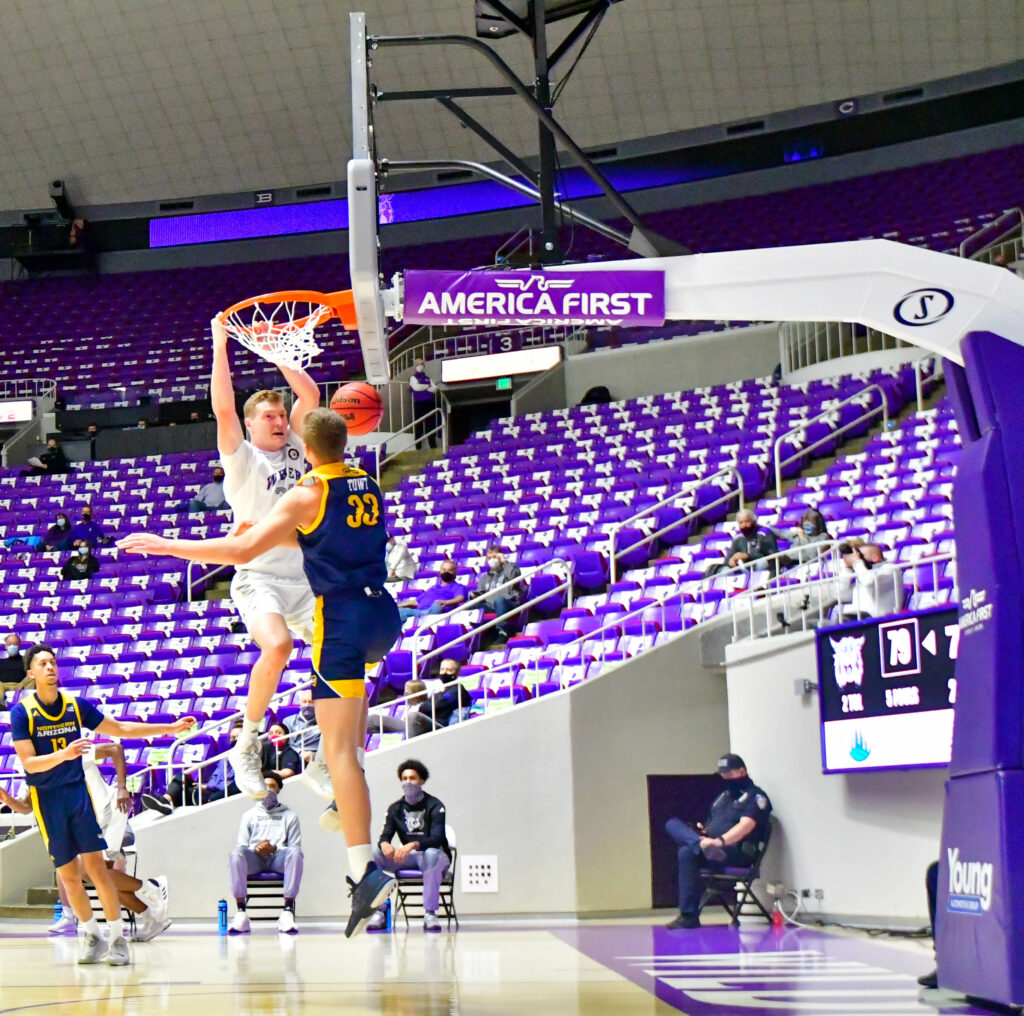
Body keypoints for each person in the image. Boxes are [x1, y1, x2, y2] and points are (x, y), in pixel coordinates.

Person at [118, 408, 402, 938]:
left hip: (340, 620)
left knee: (340, 754)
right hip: (384, 616)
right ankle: (339, 784)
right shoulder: (365, 480)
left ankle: (363, 870)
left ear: (307, 450)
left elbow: (242, 550)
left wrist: (166, 544)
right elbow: (327, 537)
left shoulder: (305, 493)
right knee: (345, 739)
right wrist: (279, 533)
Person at [9, 644, 193, 964]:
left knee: (97, 870)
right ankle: (92, 935)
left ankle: (118, 938)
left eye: (53, 662)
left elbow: (120, 730)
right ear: (31, 673)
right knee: (68, 877)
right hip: (47, 800)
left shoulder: (74, 706)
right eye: (43, 663)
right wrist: (63, 755)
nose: (50, 667)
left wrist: (169, 728)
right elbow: (29, 763)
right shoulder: (22, 712)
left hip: (78, 797)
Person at [207, 316, 322, 801]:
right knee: (277, 648)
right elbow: (224, 410)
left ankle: (321, 751)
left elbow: (312, 399)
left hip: (307, 575)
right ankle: (248, 742)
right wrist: (221, 344)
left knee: (344, 655)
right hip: (260, 578)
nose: (278, 422)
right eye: (268, 417)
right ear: (252, 426)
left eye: (280, 415)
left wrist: (280, 355)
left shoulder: (298, 443)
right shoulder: (243, 461)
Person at [663, 753, 772, 930]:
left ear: (742, 771)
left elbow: (746, 826)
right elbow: (711, 824)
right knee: (672, 824)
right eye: (723, 775)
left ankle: (689, 915)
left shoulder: (756, 797)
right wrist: (703, 834)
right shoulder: (723, 798)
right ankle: (698, 844)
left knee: (687, 851)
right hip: (712, 847)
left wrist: (720, 842)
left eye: (729, 775)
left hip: (736, 851)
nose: (725, 779)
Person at [368, 759, 451, 932]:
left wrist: (412, 844)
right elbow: (385, 835)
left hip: (435, 857)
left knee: (430, 854)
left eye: (412, 778)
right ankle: (380, 910)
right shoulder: (395, 808)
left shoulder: (435, 805)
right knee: (374, 853)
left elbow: (437, 838)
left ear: (421, 781)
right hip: (410, 858)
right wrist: (385, 844)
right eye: (404, 778)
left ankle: (430, 914)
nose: (408, 782)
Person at [228, 772, 303, 935]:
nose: (269, 790)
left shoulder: (290, 816)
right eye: (265, 786)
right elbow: (242, 846)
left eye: (272, 786)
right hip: (255, 859)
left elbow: (294, 846)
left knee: (296, 853)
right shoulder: (249, 815)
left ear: (279, 789)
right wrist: (256, 849)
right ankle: (241, 913)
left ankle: (287, 911)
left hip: (278, 858)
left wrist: (274, 848)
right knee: (235, 854)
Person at [837, 542, 905, 619]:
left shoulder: (891, 569)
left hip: (879, 620)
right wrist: (847, 568)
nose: (859, 558)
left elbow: (868, 581)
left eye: (861, 556)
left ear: (875, 558)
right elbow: (841, 593)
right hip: (858, 619)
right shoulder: (864, 574)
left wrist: (857, 562)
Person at [396, 561, 468, 624]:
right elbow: (416, 602)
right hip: (420, 611)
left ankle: (423, 620)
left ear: (455, 573)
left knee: (437, 605)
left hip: (437, 612)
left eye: (450, 570)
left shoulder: (458, 587)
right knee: (398, 611)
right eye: (444, 569)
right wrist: (397, 605)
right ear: (440, 571)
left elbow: (460, 597)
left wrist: (446, 602)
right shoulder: (433, 587)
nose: (446, 572)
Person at [474, 546, 523, 638]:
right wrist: (474, 596)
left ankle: (503, 632)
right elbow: (480, 593)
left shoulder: (512, 569)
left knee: (499, 600)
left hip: (509, 603)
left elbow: (514, 578)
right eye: (489, 558)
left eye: (494, 557)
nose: (492, 560)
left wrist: (504, 562)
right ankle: (473, 634)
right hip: (490, 605)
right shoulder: (485, 577)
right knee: (469, 604)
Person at [409, 359, 438, 450]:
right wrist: (427, 386)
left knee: (431, 424)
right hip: (419, 403)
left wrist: (424, 387)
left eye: (421, 364)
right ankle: (418, 447)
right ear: (415, 366)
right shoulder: (413, 378)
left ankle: (432, 445)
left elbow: (435, 389)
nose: (420, 365)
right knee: (419, 425)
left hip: (429, 402)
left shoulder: (428, 378)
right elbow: (416, 387)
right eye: (418, 364)